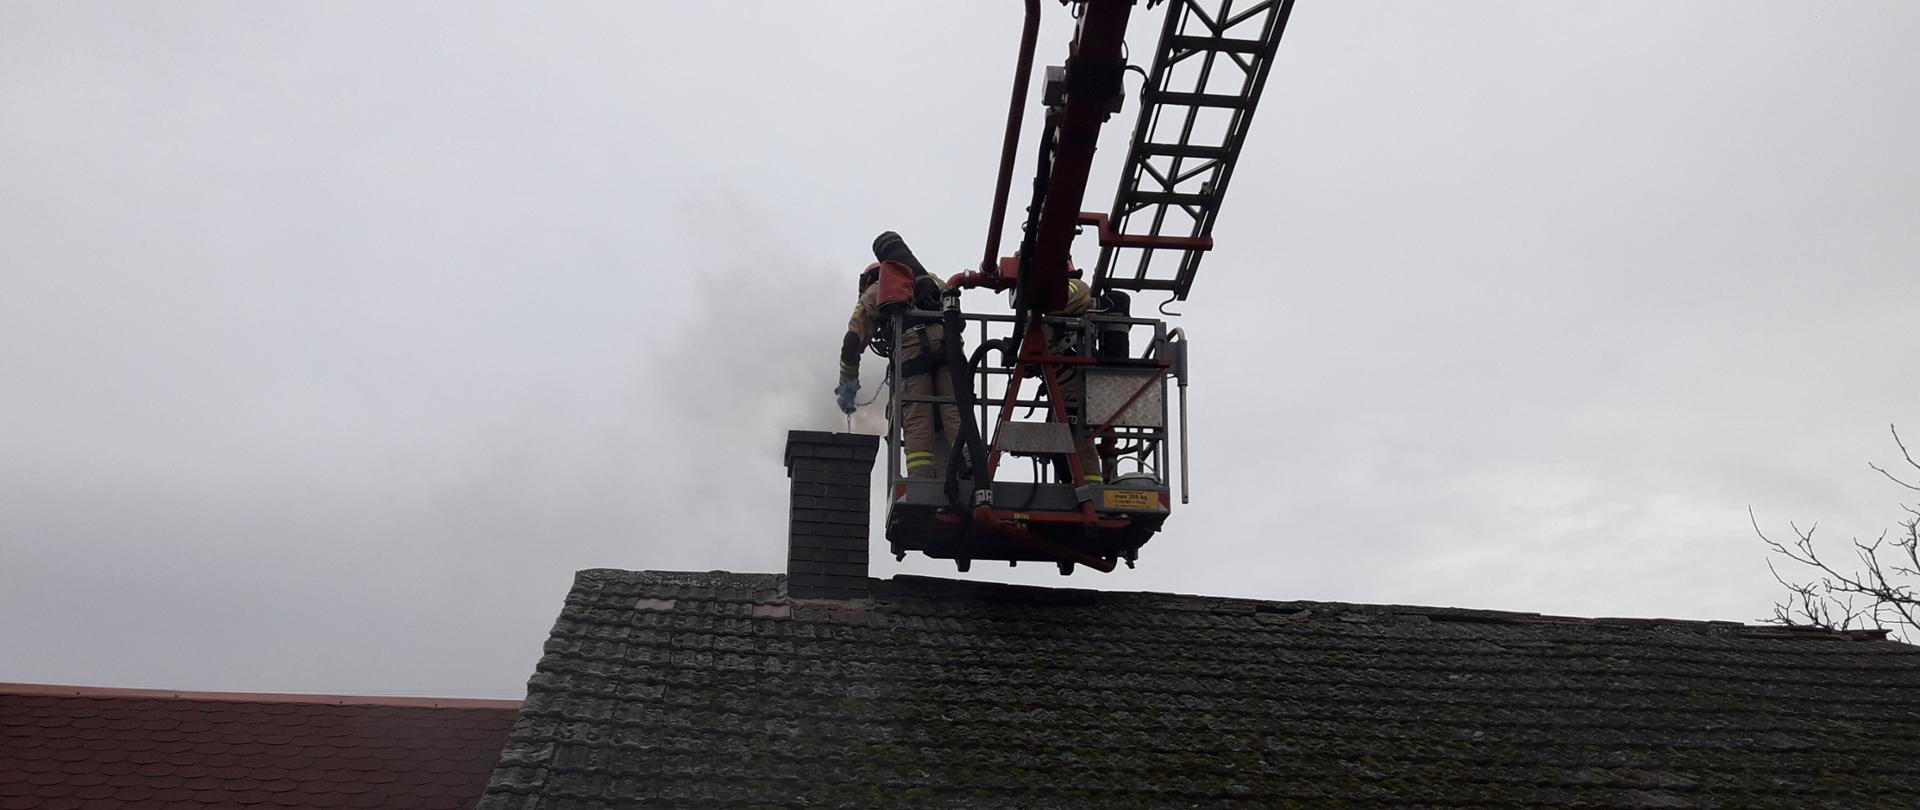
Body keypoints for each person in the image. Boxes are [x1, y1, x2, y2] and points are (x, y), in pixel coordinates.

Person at [836, 232, 963, 479]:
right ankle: (970, 468)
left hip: (913, 350)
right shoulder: (933, 280)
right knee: (955, 410)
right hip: (949, 347)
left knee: (916, 418)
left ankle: (921, 479)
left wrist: (847, 384)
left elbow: (852, 341)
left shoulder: (877, 289)